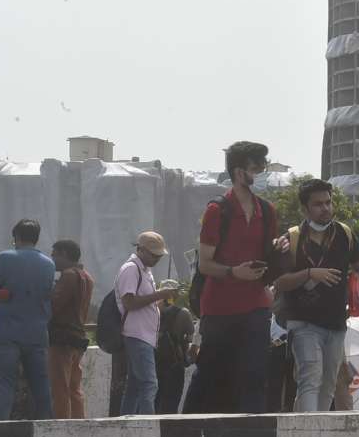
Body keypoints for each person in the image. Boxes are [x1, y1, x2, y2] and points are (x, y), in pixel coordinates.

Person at [182, 141, 279, 415]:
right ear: (239, 172)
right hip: (219, 308)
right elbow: (205, 265)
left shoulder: (267, 210)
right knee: (210, 375)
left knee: (255, 375)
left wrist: (279, 251)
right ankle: (187, 431)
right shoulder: (218, 210)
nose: (261, 173)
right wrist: (233, 272)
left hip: (257, 305)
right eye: (255, 168)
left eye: (263, 167)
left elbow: (268, 254)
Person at [274, 179, 359, 412]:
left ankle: (316, 431)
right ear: (304, 209)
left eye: (328, 202)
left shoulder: (344, 234)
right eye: (318, 204)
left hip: (337, 323)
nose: (325, 208)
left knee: (329, 383)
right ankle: (307, 434)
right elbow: (279, 281)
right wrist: (309, 273)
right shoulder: (292, 238)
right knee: (310, 377)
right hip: (303, 322)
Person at [0, 218, 56, 420]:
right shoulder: (48, 264)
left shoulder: (5, 258)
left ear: (15, 237)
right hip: (37, 334)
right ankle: (47, 431)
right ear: (36, 238)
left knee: (5, 386)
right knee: (41, 387)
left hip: (7, 334)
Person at [117, 231, 176, 415]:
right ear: (140, 249)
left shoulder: (145, 271)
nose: (157, 258)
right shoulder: (131, 269)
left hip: (145, 336)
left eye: (159, 255)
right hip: (137, 334)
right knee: (149, 384)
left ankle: (125, 424)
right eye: (153, 254)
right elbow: (129, 302)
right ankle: (147, 427)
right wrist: (160, 294)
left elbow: (144, 304)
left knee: (135, 387)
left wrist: (162, 300)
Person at [48, 238, 94, 419]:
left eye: (54, 255)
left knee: (60, 387)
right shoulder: (87, 277)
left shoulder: (68, 275)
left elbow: (54, 304)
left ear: (64, 254)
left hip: (62, 338)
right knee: (74, 388)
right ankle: (78, 422)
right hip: (77, 337)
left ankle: (63, 425)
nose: (52, 260)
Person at [155, 280, 194, 414]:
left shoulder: (151, 312)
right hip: (174, 364)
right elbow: (190, 339)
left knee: (153, 402)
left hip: (153, 363)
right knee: (171, 405)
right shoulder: (183, 313)